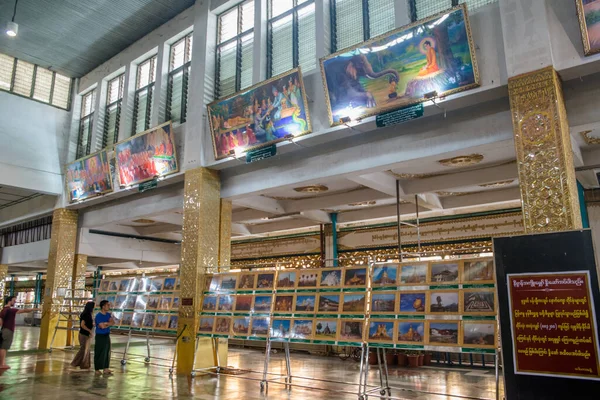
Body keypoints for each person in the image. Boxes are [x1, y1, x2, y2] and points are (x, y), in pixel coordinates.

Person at [0, 296, 41, 369]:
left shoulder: (3, 310)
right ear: (9, 301)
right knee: (4, 347)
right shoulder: (10, 310)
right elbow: (24, 310)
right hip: (8, 330)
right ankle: (1, 364)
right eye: (14, 300)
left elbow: (0, 322)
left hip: (4, 330)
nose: (15, 302)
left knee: (3, 347)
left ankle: (2, 363)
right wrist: (35, 309)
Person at [71, 301, 95, 370]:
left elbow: (87, 323)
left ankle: (85, 364)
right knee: (83, 349)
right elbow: (82, 325)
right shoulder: (86, 314)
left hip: (86, 334)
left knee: (86, 350)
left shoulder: (89, 314)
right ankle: (75, 363)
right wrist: (89, 330)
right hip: (84, 334)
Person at [94, 300, 114, 375]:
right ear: (103, 306)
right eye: (107, 305)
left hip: (106, 335)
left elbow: (112, 322)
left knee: (107, 351)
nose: (109, 306)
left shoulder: (108, 315)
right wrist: (106, 324)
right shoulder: (98, 316)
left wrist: (106, 324)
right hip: (100, 336)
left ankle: (106, 368)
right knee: (99, 352)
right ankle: (97, 368)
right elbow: (101, 326)